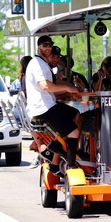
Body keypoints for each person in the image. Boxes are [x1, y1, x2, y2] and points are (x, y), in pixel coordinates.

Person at [25, 35, 81, 174]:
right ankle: (71, 164)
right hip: (43, 108)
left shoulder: (42, 63)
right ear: (39, 47)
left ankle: (58, 147)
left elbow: (54, 84)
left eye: (49, 45)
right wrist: (68, 89)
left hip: (48, 105)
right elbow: (45, 85)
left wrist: (71, 87)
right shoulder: (37, 64)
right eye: (45, 45)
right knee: (74, 131)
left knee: (76, 114)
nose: (48, 48)